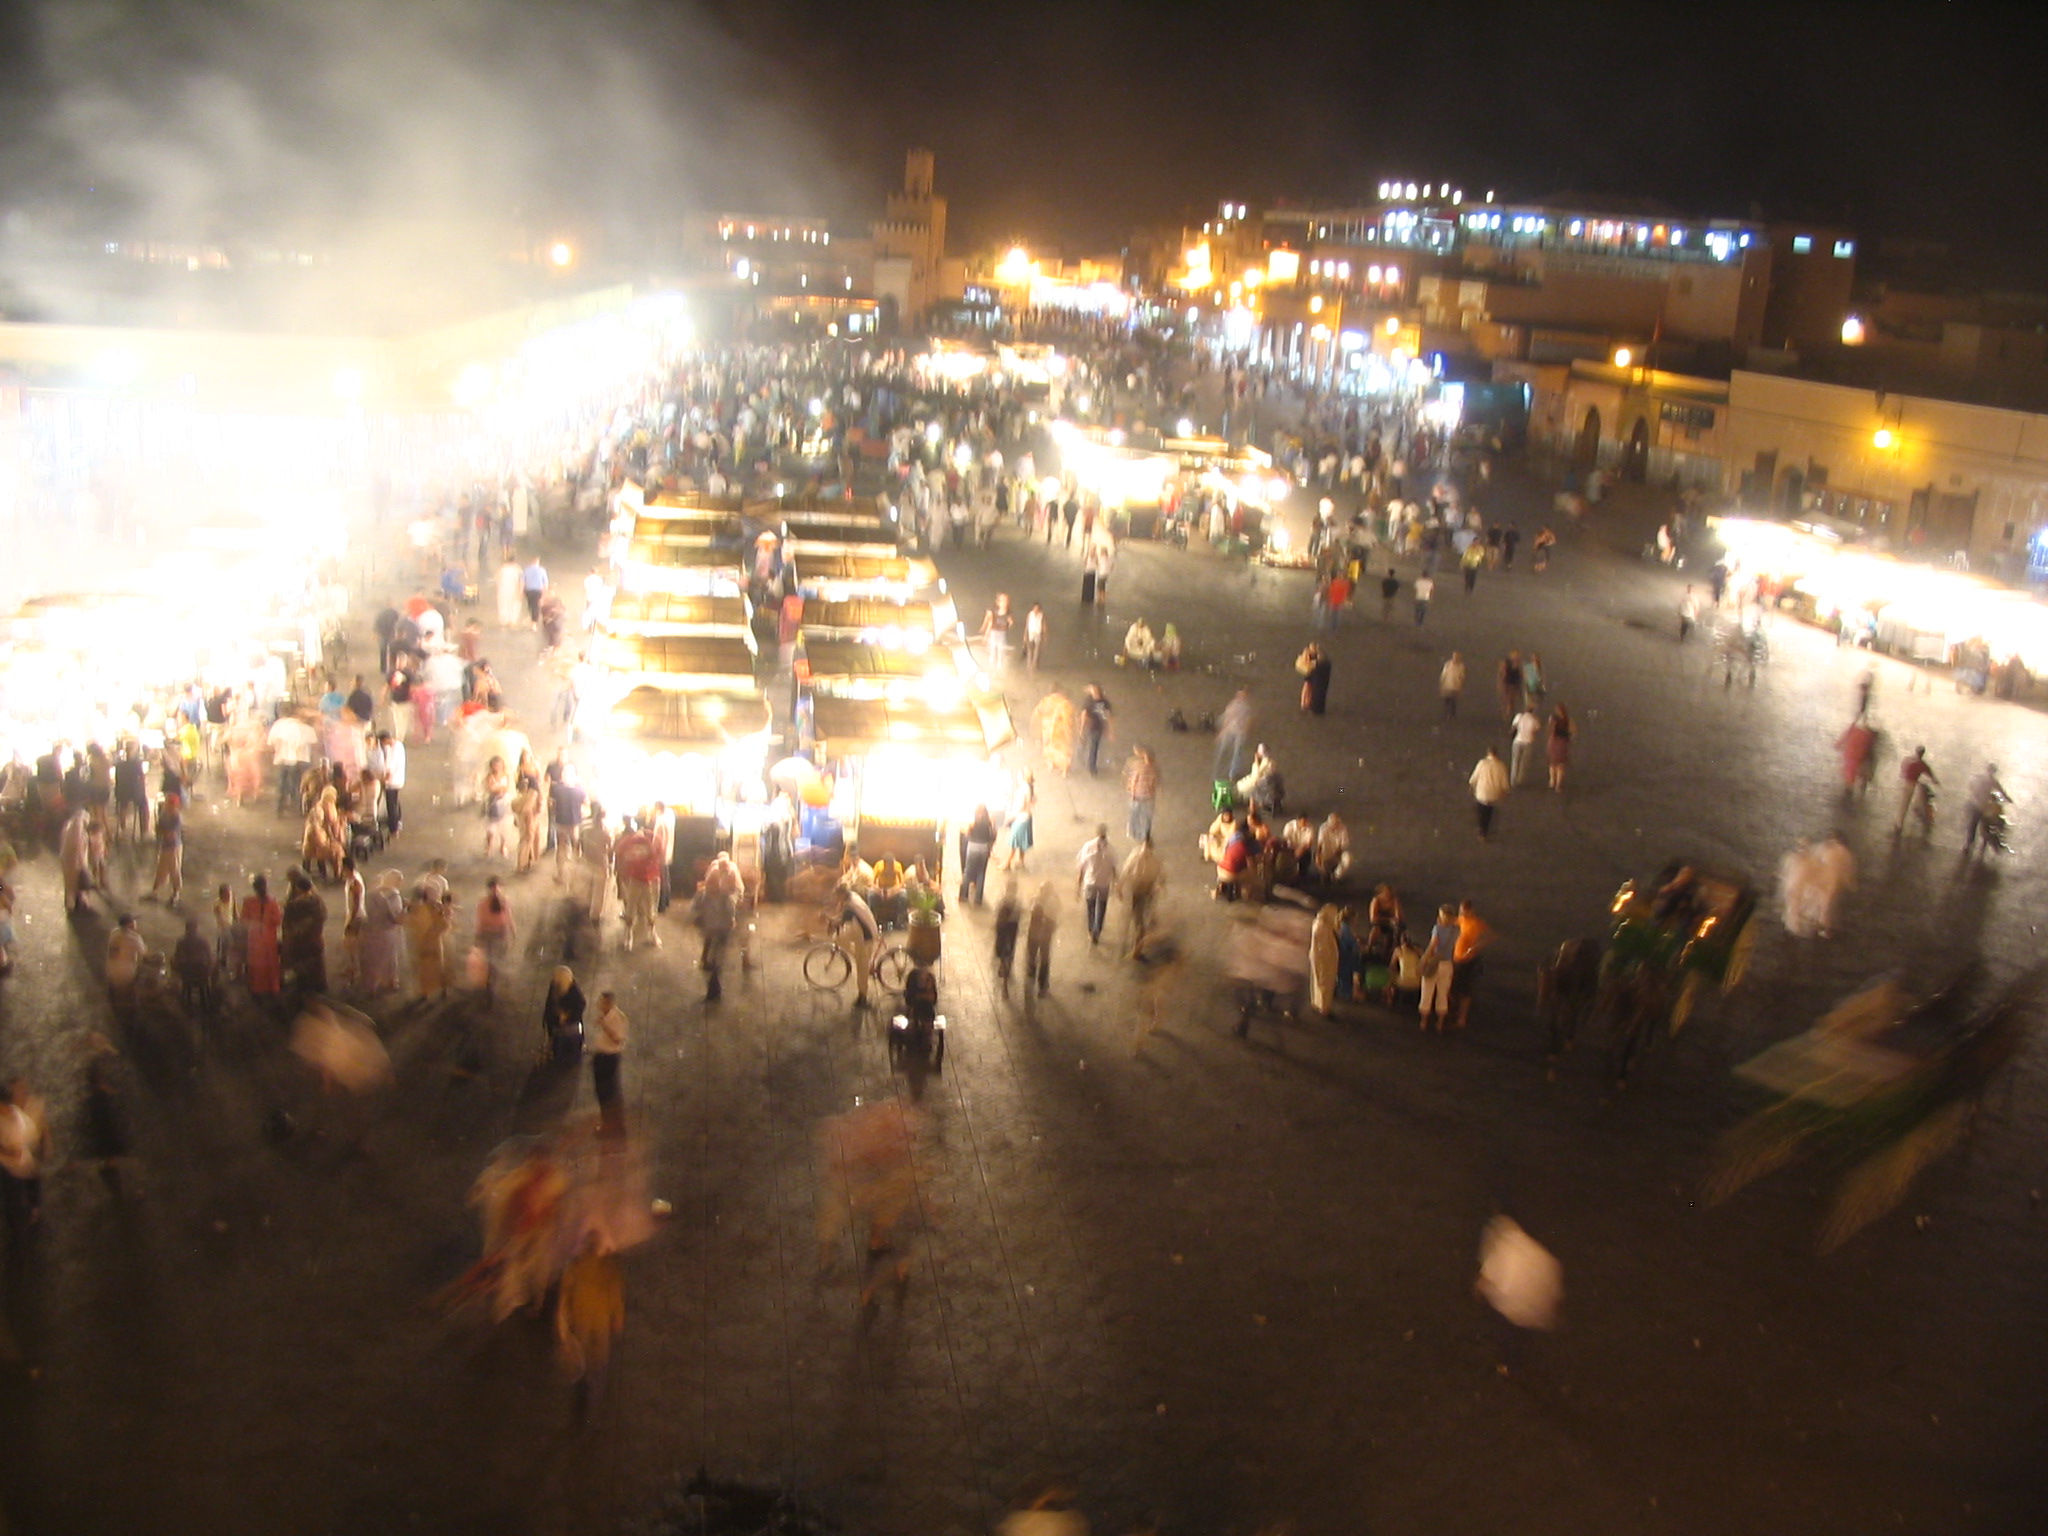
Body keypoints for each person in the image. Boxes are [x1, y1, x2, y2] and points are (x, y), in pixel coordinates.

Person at [693, 852, 741, 1001]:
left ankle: (714, 984)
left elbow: (730, 907)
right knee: (715, 954)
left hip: (720, 929)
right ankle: (713, 978)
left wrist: (730, 921)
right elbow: (695, 908)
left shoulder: (723, 895)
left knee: (717, 956)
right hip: (714, 928)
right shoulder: (706, 894)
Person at [613, 815, 662, 949]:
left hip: (644, 879)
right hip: (647, 878)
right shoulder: (651, 839)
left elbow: (618, 853)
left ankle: (635, 936)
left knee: (635, 908)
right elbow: (660, 857)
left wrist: (622, 874)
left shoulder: (630, 840)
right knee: (647, 908)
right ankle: (644, 935)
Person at [281, 869, 329, 997]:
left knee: (302, 966)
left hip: (301, 942)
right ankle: (320, 987)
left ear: (298, 888)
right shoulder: (318, 901)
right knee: (318, 965)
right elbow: (323, 916)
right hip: (316, 938)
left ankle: (304, 990)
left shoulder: (294, 906)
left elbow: (287, 923)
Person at [834, 881, 882, 1007]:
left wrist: (829, 919)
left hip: (867, 937)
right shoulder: (852, 897)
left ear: (842, 894)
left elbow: (840, 920)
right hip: (865, 931)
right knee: (839, 938)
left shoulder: (850, 906)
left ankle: (863, 997)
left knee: (862, 969)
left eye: (838, 896)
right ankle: (857, 955)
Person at [404, 883, 452, 1001]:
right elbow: (445, 925)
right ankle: (443, 989)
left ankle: (425, 992)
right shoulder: (436, 910)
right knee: (439, 967)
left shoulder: (416, 910)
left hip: (422, 944)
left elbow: (410, 923)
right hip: (435, 943)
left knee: (424, 969)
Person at [1118, 835, 1163, 957]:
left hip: (1136, 889)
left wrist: (1119, 887)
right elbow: (1161, 877)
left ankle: (1136, 937)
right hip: (1147, 890)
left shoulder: (1135, 856)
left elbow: (1125, 870)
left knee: (1135, 916)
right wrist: (1160, 887)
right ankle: (1138, 943)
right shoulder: (1155, 860)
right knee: (1142, 916)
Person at [589, 991, 628, 1130]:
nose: (600, 1005)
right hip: (600, 1056)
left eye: (603, 1002)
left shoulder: (618, 1018)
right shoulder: (603, 1016)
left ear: (610, 1003)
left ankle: (613, 1124)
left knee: (609, 1092)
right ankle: (607, 1122)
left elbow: (619, 1039)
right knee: (601, 1091)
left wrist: (605, 1026)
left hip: (609, 1058)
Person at [242, 875, 284, 1001]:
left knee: (266, 964)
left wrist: (261, 921)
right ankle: (264, 988)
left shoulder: (270, 902)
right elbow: (244, 920)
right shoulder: (268, 902)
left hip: (263, 939)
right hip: (260, 939)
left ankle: (265, 988)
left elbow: (277, 920)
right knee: (262, 965)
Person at [1076, 824, 1116, 945]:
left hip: (1090, 882)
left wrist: (1077, 886)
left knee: (1091, 907)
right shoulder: (1111, 849)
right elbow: (1114, 868)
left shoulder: (1088, 847)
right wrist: (1116, 882)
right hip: (1104, 883)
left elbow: (1081, 867)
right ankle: (1097, 930)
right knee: (1102, 908)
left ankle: (1090, 930)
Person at [542, 965, 585, 1064]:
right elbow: (550, 1002)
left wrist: (567, 1016)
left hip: (569, 1022)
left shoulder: (575, 992)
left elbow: (580, 1007)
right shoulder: (555, 985)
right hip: (556, 1018)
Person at [957, 804, 997, 905]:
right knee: (981, 872)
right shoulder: (989, 822)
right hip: (984, 848)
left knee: (968, 871)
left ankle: (963, 896)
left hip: (973, 847)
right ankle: (978, 899)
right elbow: (993, 833)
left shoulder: (974, 822)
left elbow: (966, 833)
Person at [150, 789, 185, 903]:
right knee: (161, 869)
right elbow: (158, 828)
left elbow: (171, 834)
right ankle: (154, 891)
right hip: (165, 845)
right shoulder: (164, 814)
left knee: (174, 870)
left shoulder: (176, 817)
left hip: (174, 847)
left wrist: (162, 831)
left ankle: (176, 893)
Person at [1025, 882, 1059, 997]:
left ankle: (1040, 983)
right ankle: (1038, 981)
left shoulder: (1045, 902)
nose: (1041, 892)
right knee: (1036, 957)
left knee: (1041, 958)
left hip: (1040, 934)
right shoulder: (1036, 901)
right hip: (1037, 934)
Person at [1964, 763, 2007, 852]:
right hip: (1985, 807)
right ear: (1994, 772)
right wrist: (2007, 798)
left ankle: (1969, 844)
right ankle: (1984, 844)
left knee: (1973, 826)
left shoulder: (1978, 777)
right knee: (1986, 826)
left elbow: (1970, 786)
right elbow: (2001, 790)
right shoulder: (1993, 781)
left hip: (1975, 805)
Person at [1213, 688, 1253, 785]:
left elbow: (1248, 721)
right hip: (1230, 731)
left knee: (1236, 753)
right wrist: (1222, 731)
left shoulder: (1246, 708)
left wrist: (1245, 731)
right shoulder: (1233, 705)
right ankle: (1220, 771)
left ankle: (1232, 773)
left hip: (1238, 732)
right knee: (1225, 751)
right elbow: (1226, 718)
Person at [1308, 902, 1342, 1016]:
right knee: (1324, 982)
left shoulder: (1320, 923)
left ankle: (1318, 1002)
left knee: (1318, 980)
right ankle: (1324, 1006)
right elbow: (1324, 948)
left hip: (1320, 958)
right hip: (1323, 960)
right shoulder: (1322, 926)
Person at [1894, 745, 1937, 834]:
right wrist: (1934, 780)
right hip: (1911, 783)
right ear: (1923, 753)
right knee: (1905, 803)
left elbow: (1902, 767)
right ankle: (1899, 824)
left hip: (1903, 781)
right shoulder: (1921, 763)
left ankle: (1899, 822)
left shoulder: (1908, 759)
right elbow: (1929, 772)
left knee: (1902, 803)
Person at [1470, 748, 1510, 840]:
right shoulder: (1501, 766)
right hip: (1494, 794)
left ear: (1488, 753)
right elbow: (1504, 783)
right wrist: (1505, 792)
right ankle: (1486, 829)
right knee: (1489, 812)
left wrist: (1472, 786)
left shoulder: (1482, 763)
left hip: (1481, 792)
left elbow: (1474, 778)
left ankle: (1481, 829)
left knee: (1480, 810)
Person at [1122, 746, 1160, 843]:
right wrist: (1133, 794)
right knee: (1138, 815)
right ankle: (1137, 833)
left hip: (1144, 796)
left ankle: (1142, 834)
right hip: (1141, 796)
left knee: (1141, 815)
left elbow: (1152, 783)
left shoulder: (1149, 769)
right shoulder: (1145, 768)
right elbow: (1135, 781)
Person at [1000, 771, 1035, 871]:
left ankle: (1006, 863)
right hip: (1027, 818)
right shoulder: (1029, 787)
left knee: (1013, 841)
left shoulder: (1022, 790)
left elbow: (1020, 806)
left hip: (1020, 818)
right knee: (1022, 841)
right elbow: (1032, 801)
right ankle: (1021, 860)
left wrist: (1010, 818)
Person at [992, 877, 1022, 996]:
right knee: (1009, 951)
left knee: (1002, 950)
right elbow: (1019, 916)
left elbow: (997, 912)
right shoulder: (1017, 902)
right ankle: (1006, 969)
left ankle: (1003, 969)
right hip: (1011, 928)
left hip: (1003, 928)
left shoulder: (1002, 899)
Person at [1078, 683, 1112, 776]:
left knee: (1094, 748)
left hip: (1098, 728)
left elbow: (1108, 716)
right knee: (1084, 743)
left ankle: (1092, 767)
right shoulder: (1088, 701)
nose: (1095, 694)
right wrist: (1081, 729)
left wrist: (1109, 729)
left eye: (1095, 692)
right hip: (1089, 727)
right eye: (1093, 692)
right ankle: (1080, 755)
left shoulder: (1104, 703)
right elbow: (1084, 716)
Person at [1509, 704, 1543, 786]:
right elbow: (1537, 729)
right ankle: (1520, 780)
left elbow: (1513, 727)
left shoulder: (1519, 716)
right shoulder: (1534, 719)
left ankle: (1513, 780)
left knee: (1515, 761)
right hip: (1528, 742)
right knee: (1524, 763)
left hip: (1517, 741)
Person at [979, 593, 1014, 671]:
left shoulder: (1008, 612)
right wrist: (985, 634)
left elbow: (1010, 621)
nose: (1005, 603)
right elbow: (989, 623)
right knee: (993, 647)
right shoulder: (994, 611)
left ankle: (999, 664)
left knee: (1000, 648)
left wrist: (1010, 623)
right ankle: (991, 664)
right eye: (1002, 601)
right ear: (998, 602)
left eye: (1006, 601)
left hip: (1002, 632)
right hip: (994, 632)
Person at [1297, 642, 1332, 716]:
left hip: (1310, 670)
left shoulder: (1308, 654)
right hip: (1314, 670)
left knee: (1308, 686)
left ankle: (1305, 703)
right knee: (1313, 688)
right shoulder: (1320, 656)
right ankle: (1309, 704)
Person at [1546, 703, 1575, 792]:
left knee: (1552, 763)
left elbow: (1550, 730)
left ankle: (1552, 781)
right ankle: (1558, 785)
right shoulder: (1568, 720)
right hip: (1563, 742)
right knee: (1561, 765)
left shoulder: (1553, 718)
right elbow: (1573, 730)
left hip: (1554, 741)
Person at [1439, 652, 1465, 716]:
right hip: (1448, 685)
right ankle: (1446, 713)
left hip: (1455, 686)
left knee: (1453, 701)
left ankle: (1452, 714)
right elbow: (1444, 674)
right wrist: (1442, 682)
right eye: (1454, 657)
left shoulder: (1461, 666)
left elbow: (1462, 676)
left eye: (1457, 657)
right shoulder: (1448, 664)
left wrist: (1460, 684)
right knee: (1447, 700)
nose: (1455, 658)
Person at [1022, 603, 1045, 673]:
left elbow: (1044, 625)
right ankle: (1029, 666)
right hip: (1030, 634)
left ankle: (1034, 665)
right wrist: (1025, 635)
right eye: (1034, 608)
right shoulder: (1030, 615)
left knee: (1036, 651)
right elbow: (1027, 625)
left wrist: (1044, 635)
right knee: (1030, 651)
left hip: (1038, 634)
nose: (1036, 610)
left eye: (1037, 609)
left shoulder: (1041, 615)